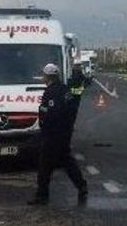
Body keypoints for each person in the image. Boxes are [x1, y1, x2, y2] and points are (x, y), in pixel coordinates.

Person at [28, 63, 88, 206]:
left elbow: (49, 114)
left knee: (44, 165)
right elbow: (71, 109)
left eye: (43, 75)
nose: (42, 77)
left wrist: (45, 129)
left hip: (53, 134)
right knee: (66, 161)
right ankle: (82, 186)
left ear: (47, 76)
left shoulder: (51, 92)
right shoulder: (64, 89)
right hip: (64, 133)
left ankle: (42, 196)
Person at [67, 64, 85, 132]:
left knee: (69, 111)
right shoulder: (80, 75)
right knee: (73, 112)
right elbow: (86, 81)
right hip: (77, 95)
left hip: (70, 95)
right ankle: (71, 126)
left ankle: (69, 125)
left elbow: (68, 83)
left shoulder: (71, 74)